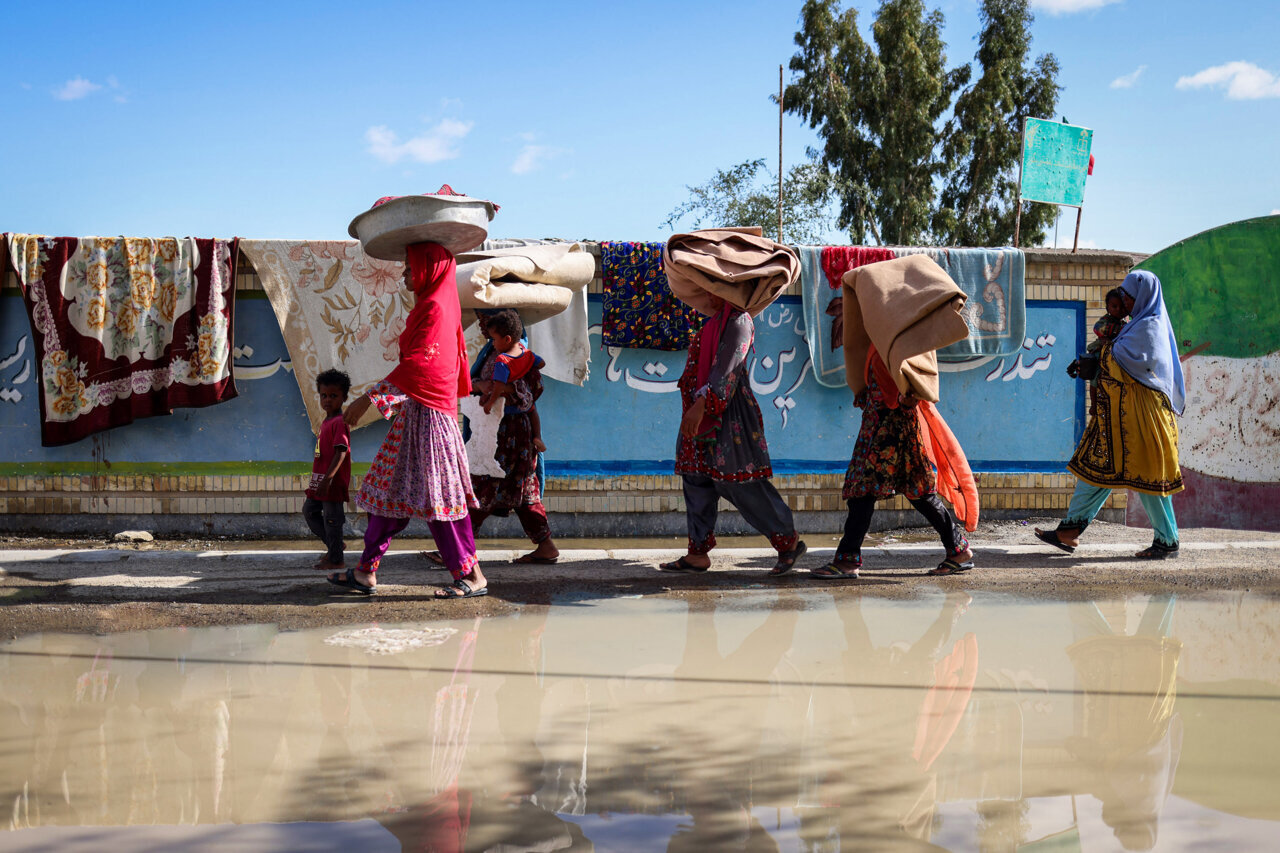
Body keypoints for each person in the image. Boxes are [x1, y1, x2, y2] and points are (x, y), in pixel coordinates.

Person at [331, 241, 487, 598]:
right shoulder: (429, 307)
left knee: (440, 501)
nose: (404, 275)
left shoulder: (434, 309)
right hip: (417, 414)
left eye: (409, 267)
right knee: (389, 492)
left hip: (431, 418)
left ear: (429, 270)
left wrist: (369, 399)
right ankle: (365, 571)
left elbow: (422, 365)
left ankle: (472, 574)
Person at [1035, 270, 1185, 559]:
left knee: (1149, 477)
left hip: (1143, 419)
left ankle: (1167, 541)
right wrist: (1089, 362)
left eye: (1129, 297)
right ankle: (1069, 530)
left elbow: (1127, 363)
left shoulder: (1149, 328)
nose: (1124, 302)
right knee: (1096, 470)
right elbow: (1113, 355)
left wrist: (1100, 358)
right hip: (1115, 418)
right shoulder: (1132, 327)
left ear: (1142, 296)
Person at [659, 298, 807, 575]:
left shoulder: (739, 322)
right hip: (698, 414)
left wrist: (702, 404)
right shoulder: (714, 323)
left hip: (727, 417)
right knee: (696, 480)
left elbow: (727, 370)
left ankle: (787, 541)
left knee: (740, 483)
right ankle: (697, 553)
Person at [817, 347, 974, 578]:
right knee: (916, 491)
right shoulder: (881, 336)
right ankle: (957, 549)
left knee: (865, 490)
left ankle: (847, 560)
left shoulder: (902, 334)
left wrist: (907, 397)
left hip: (891, 425)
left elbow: (917, 370)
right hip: (882, 421)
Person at [468, 308, 560, 564]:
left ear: (506, 337)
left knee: (484, 484)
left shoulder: (508, 358)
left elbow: (529, 388)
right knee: (520, 489)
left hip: (507, 432)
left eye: (486, 322)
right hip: (511, 430)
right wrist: (479, 385)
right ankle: (546, 546)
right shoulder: (502, 353)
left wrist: (498, 392)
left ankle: (459, 550)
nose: (482, 327)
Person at [303, 368, 352, 572]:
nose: (327, 400)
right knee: (309, 511)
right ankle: (334, 546)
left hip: (331, 483)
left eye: (333, 396)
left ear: (344, 397)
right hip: (321, 482)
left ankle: (336, 558)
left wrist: (328, 479)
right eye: (324, 395)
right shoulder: (327, 421)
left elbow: (341, 452)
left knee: (332, 520)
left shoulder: (340, 422)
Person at [1084, 288, 1128, 416]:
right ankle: (1093, 404)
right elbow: (1098, 328)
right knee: (1096, 376)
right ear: (1107, 307)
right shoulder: (1106, 320)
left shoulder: (1125, 323)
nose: (1118, 310)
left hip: (1115, 355)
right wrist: (1118, 330)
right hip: (1101, 352)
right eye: (1114, 306)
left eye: (1122, 307)